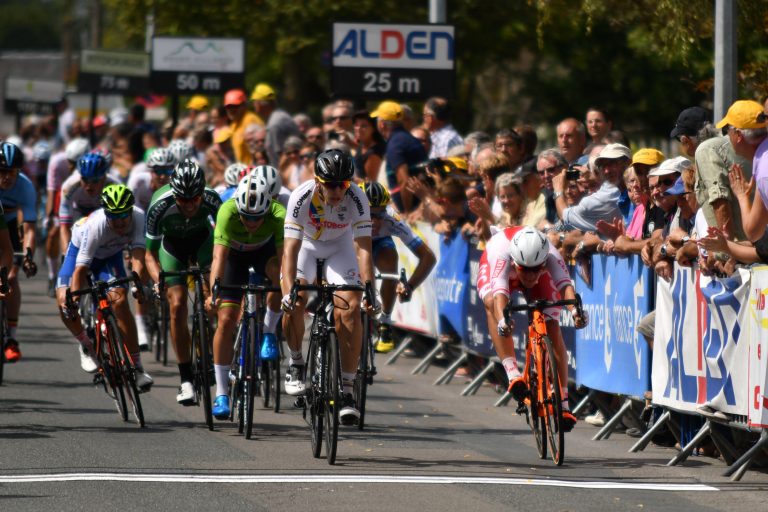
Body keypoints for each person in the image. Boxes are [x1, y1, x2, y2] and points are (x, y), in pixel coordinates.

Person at [280, 149, 377, 426]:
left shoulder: (358, 198)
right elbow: (290, 250)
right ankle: (296, 362)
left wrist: (370, 289)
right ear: (317, 180)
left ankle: (347, 391)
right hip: (306, 248)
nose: (337, 190)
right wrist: (289, 292)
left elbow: (364, 250)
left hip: (340, 247)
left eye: (343, 184)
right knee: (295, 301)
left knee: (351, 308)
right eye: (330, 184)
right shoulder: (301, 196)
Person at [480, 226, 586, 431]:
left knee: (551, 323)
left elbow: (566, 288)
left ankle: (563, 404)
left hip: (532, 264)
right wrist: (503, 320)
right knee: (491, 302)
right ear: (515, 263)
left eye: (535, 269)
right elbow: (500, 293)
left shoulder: (552, 256)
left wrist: (575, 312)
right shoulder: (502, 255)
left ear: (544, 263)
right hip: (499, 266)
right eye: (524, 269)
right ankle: (512, 374)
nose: (529, 275)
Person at [55, 184, 153, 390]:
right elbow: (80, 270)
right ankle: (85, 345)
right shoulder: (95, 226)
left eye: (123, 217)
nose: (119, 222)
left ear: (130, 212)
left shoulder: (138, 216)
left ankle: (137, 368)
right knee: (64, 301)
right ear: (106, 213)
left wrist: (137, 283)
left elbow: (137, 255)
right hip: (80, 255)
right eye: (113, 217)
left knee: (119, 301)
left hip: (110, 256)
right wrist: (74, 299)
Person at [209, 169, 285, 419]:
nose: (252, 224)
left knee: (278, 274)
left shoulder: (278, 214)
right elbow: (219, 257)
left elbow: (286, 259)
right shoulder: (227, 211)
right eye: (246, 218)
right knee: (226, 319)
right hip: (235, 258)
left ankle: (269, 332)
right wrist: (214, 292)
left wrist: (286, 289)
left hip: (264, 254)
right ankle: (221, 392)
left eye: (257, 218)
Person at [145, 159, 222, 404]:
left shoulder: (212, 199)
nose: (189, 205)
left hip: (203, 242)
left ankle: (214, 356)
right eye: (183, 200)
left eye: (194, 199)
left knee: (214, 299)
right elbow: (149, 254)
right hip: (173, 247)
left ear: (202, 194)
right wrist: (158, 280)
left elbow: (223, 241)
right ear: (174, 193)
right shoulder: (159, 204)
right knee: (177, 305)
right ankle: (186, 379)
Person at [360, 182, 436, 353]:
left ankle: (385, 322)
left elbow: (428, 257)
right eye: (369, 215)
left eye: (379, 215)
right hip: (354, 242)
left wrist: (409, 286)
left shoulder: (392, 218)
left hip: (380, 243)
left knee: (389, 259)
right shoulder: (347, 214)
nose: (374, 221)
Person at [0, 141, 38, 363]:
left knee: (11, 279)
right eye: (2, 172)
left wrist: (29, 256)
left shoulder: (25, 187)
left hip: (11, 228)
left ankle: (12, 338)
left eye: (11, 172)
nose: (7, 178)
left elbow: (30, 229)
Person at [714, 100, 768, 241]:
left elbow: (753, 231)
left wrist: (742, 196)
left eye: (727, 131)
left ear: (738, 135)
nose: (726, 136)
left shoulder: (764, 173)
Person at [45, 138, 90, 296]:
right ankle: (52, 275)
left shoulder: (90, 167)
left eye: (74, 163)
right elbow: (51, 188)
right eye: (69, 162)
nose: (70, 166)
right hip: (63, 195)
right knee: (54, 233)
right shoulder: (57, 161)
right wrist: (49, 214)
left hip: (84, 200)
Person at [552, 143, 626, 232]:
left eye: (612, 164)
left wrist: (558, 190)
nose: (607, 171)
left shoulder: (606, 194)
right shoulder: (611, 186)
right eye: (603, 166)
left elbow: (565, 218)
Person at [372, 101, 428, 212]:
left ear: (382, 124)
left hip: (411, 212)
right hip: (419, 207)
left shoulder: (396, 144)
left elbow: (404, 180)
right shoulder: (407, 139)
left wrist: (407, 212)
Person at [250, 83, 301, 167]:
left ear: (260, 104)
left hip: (286, 173)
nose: (253, 105)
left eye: (254, 102)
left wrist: (280, 177)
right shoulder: (280, 116)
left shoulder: (275, 124)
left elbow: (281, 156)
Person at [224, 89, 263, 166]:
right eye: (228, 106)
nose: (231, 110)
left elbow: (260, 150)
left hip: (253, 170)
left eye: (235, 106)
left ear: (244, 105)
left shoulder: (250, 120)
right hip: (243, 172)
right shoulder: (234, 124)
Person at [353, 111, 386, 182]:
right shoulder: (363, 144)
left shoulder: (374, 154)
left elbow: (372, 184)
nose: (358, 129)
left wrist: (352, 181)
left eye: (363, 126)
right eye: (356, 125)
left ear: (373, 128)